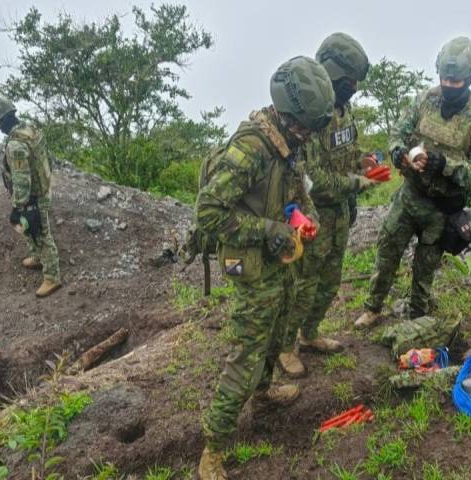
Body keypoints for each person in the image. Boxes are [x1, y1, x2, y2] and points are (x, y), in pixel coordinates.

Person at [196, 56, 335, 480]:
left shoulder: (289, 141)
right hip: (253, 265)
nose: (308, 135)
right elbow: (209, 213)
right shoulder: (251, 148)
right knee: (246, 355)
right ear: (286, 113)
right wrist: (269, 228)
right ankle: (213, 451)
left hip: (279, 258)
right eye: (305, 128)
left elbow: (296, 188)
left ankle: (265, 393)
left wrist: (302, 217)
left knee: (277, 333)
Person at [355, 36, 471, 328]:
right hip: (409, 196)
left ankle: (417, 318)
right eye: (445, 78)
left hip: (441, 209)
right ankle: (373, 308)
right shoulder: (424, 100)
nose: (450, 85)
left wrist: (443, 164)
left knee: (426, 266)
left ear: (469, 79)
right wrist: (400, 154)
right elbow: (398, 133)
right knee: (386, 252)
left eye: (456, 81)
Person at [278, 33, 377, 378]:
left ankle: (310, 334)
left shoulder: (344, 110)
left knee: (330, 282)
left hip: (339, 216)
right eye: (349, 82)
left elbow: (348, 152)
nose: (354, 88)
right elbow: (313, 179)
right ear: (333, 75)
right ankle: (286, 346)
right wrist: (355, 184)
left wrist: (363, 163)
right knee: (302, 284)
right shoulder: (310, 115)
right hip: (313, 216)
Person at [0, 97, 62, 298]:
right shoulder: (30, 129)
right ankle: (37, 257)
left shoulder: (16, 145)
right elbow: (47, 157)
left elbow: (22, 180)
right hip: (42, 188)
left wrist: (19, 206)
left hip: (33, 196)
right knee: (31, 229)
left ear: (1, 121)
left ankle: (52, 277)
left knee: (41, 233)